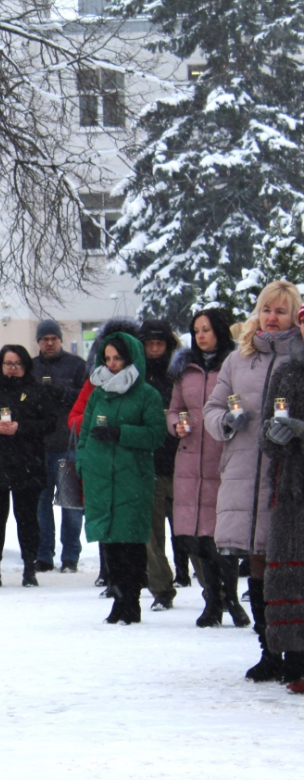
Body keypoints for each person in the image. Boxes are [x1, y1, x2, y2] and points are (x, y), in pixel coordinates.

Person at [202, 281, 303, 680]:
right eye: (266, 310)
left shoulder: (299, 357)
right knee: (258, 560)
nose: (272, 318)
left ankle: (293, 651)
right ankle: (268, 650)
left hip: (289, 472)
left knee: (286, 562)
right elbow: (212, 406)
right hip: (247, 468)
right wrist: (226, 421)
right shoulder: (239, 359)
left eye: (281, 311)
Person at [169, 308, 248, 628]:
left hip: (224, 457)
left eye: (206, 329)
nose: (200, 335)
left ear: (219, 330)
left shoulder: (234, 364)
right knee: (198, 538)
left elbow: (242, 405)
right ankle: (211, 600)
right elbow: (174, 409)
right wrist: (176, 425)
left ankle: (231, 599)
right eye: (196, 330)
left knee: (222, 536)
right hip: (189, 459)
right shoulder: (185, 369)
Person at [79, 331, 166, 625]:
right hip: (102, 476)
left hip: (133, 478)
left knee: (131, 542)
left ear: (130, 358)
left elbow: (156, 435)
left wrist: (122, 433)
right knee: (111, 543)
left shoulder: (147, 395)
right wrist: (83, 464)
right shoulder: (98, 393)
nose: (113, 364)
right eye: (108, 358)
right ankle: (117, 599)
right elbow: (84, 433)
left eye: (118, 358)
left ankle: (132, 601)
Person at [0, 346, 55, 588]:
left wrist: (22, 427)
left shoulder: (37, 390)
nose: (12, 368)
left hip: (27, 463)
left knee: (27, 519)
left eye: (17, 363)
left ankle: (29, 568)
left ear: (26, 366)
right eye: (8, 363)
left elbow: (49, 423)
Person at [259, 344, 304, 689]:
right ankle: (295, 658)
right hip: (290, 487)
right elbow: (265, 426)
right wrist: (272, 436)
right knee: (289, 574)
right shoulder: (285, 372)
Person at [30, 320, 88, 573]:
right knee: (41, 506)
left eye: (54, 338)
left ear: (61, 340)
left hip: (68, 445)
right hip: (39, 447)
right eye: (45, 339)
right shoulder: (30, 367)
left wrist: (60, 392)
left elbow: (86, 396)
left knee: (71, 506)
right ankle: (44, 554)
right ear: (39, 342)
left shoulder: (76, 365)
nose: (49, 343)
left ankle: (70, 556)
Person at [136, 320, 182, 609]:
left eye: (159, 344)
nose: (154, 349)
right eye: (149, 344)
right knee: (152, 537)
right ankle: (161, 588)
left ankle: (213, 587)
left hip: (181, 460)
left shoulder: (180, 374)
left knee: (190, 532)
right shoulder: (135, 375)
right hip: (148, 462)